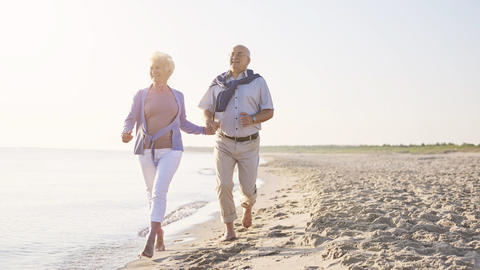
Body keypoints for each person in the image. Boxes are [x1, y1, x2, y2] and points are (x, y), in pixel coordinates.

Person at [122, 52, 216, 258]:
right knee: (150, 193)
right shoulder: (141, 95)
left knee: (159, 191)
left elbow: (182, 123)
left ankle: (150, 239)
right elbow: (130, 118)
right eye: (152, 68)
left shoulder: (178, 96)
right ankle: (160, 231)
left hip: (171, 151)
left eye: (158, 68)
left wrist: (203, 130)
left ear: (168, 71)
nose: (154, 71)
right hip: (145, 150)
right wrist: (126, 131)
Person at [198, 45, 274, 241]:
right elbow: (206, 107)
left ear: (248, 60)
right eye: (232, 54)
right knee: (223, 184)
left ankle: (248, 207)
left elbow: (269, 111)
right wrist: (208, 120)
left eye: (240, 54)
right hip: (223, 142)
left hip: (249, 143)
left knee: (247, 188)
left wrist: (253, 119)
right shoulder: (218, 82)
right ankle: (229, 230)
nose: (235, 57)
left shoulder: (257, 82)